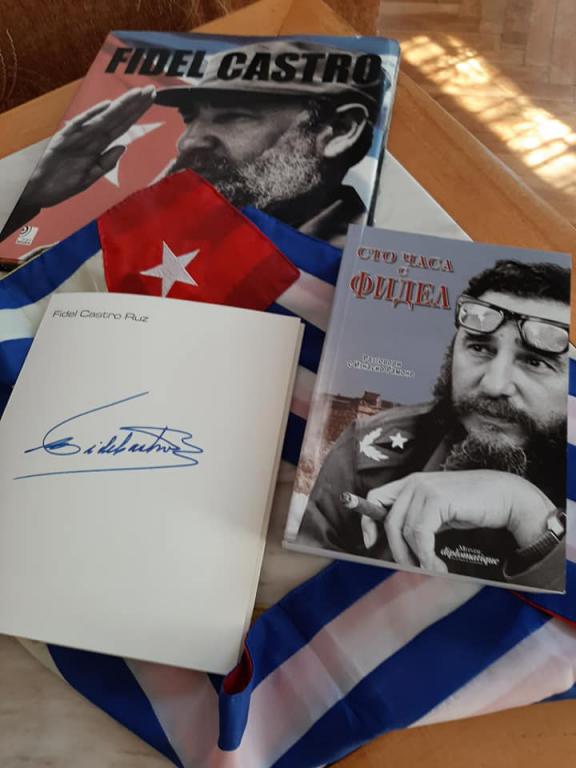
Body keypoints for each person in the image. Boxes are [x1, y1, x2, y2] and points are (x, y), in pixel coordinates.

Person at [297, 260, 570, 590]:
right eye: (480, 347)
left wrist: (527, 513)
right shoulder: (366, 452)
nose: (494, 384)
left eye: (535, 361)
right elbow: (304, 589)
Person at [1, 40, 385, 248]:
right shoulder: (165, 229)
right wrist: (31, 198)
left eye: (233, 115)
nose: (189, 141)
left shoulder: (343, 268)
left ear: (338, 131)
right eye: (191, 118)